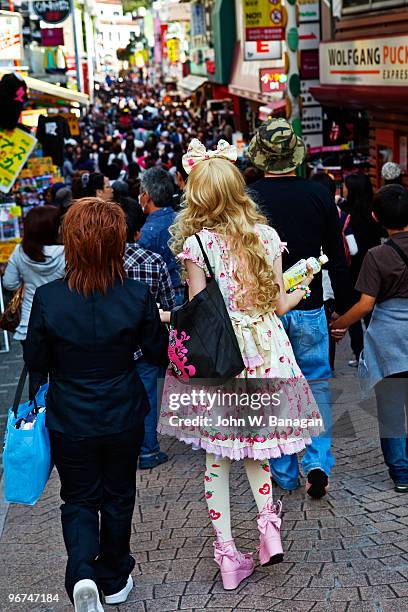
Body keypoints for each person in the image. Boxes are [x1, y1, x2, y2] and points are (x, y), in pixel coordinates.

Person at [158, 141, 321, 591]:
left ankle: (228, 554)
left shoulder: (198, 244)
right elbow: (278, 305)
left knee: (217, 457)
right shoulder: (266, 237)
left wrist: (161, 317)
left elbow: (196, 311)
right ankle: (269, 530)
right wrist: (303, 284)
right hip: (267, 352)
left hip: (223, 357)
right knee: (258, 448)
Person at [23, 198, 169, 611]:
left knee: (79, 498)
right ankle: (115, 575)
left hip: (70, 413)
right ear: (116, 242)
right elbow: (157, 353)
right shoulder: (135, 295)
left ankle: (82, 572)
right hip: (123, 409)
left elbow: (36, 360)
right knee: (119, 495)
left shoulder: (50, 298)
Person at [249, 118, 352, 498]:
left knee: (273, 389)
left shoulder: (249, 197)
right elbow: (337, 258)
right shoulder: (318, 195)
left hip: (265, 312)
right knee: (316, 385)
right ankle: (317, 461)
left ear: (261, 157)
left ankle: (283, 470)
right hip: (309, 306)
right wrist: (340, 309)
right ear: (296, 155)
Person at [331, 185, 408, 493]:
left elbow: (365, 305)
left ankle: (402, 473)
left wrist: (339, 326)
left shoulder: (377, 256)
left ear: (376, 217)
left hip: (389, 342)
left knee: (391, 408)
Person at [119, 197, 175, 469]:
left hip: (113, 342)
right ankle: (149, 450)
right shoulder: (154, 261)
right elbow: (167, 303)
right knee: (148, 395)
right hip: (147, 341)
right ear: (138, 232)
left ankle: (122, 450)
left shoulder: (105, 264)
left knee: (118, 395)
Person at [3, 206, 64, 394]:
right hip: (63, 320)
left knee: (36, 375)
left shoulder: (20, 252)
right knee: (62, 373)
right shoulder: (67, 253)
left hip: (30, 323)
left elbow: (9, 283)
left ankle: (36, 415)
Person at [341, 173, 384, 365]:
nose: (342, 189)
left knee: (353, 310)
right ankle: (374, 351)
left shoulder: (345, 212)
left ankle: (359, 353)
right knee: (371, 312)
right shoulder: (375, 212)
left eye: (344, 187)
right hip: (374, 266)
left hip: (352, 269)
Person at [138, 166, 183, 303]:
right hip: (192, 293)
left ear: (145, 196)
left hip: (164, 301)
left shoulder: (146, 234)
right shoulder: (184, 220)